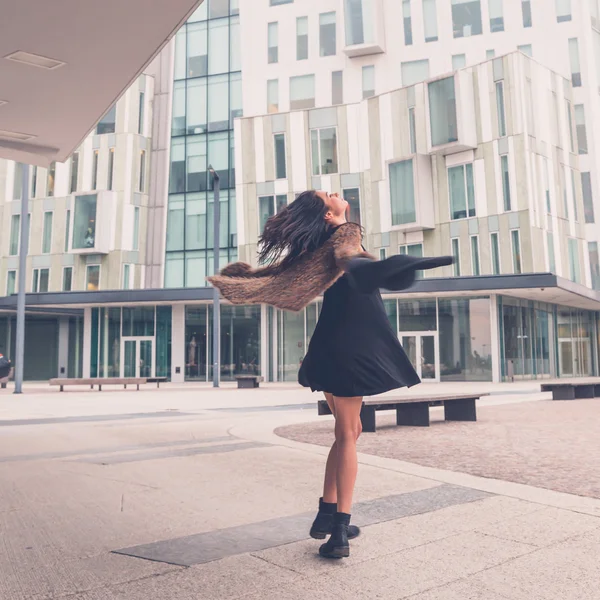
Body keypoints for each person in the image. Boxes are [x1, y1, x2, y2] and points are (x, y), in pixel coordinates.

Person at [208, 190, 452, 559]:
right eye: (329, 195)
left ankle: (326, 513)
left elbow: (291, 272)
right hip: (355, 344)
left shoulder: (317, 246)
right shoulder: (344, 234)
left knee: (348, 431)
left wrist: (242, 278)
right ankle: (339, 530)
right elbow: (351, 259)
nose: (336, 194)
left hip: (330, 344)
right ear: (327, 214)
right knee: (348, 434)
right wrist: (384, 268)